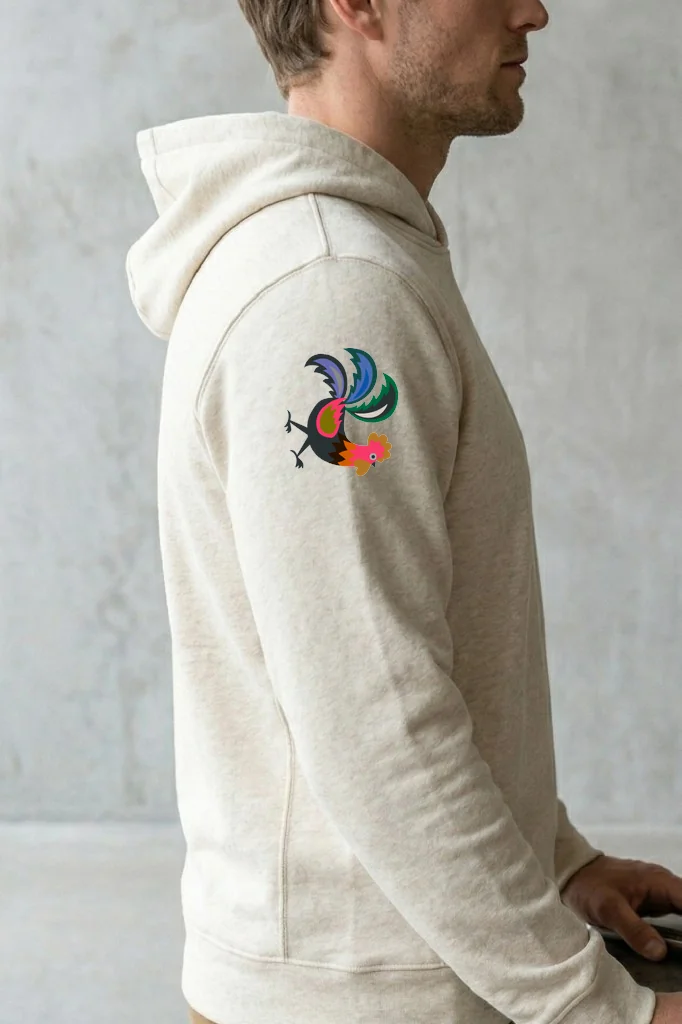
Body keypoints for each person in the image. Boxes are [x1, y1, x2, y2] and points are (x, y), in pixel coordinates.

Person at [125, 0, 682, 1022]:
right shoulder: (331, 295)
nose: (533, 11)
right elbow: (375, 722)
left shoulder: (355, 260)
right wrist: (600, 1008)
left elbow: (395, 656)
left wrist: (554, 860)